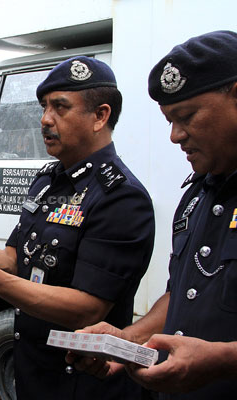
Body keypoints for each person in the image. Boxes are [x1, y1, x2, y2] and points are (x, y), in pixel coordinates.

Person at [0, 56, 155, 399]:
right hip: (33, 370)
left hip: (82, 382)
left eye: (60, 107)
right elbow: (15, 259)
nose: (45, 119)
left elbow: (88, 308)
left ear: (100, 116)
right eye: (44, 106)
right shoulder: (48, 181)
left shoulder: (120, 197)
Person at [66, 30, 237, 399]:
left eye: (187, 116)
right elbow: (182, 294)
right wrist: (128, 339)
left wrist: (224, 359)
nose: (175, 136)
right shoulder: (199, 193)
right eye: (169, 121)